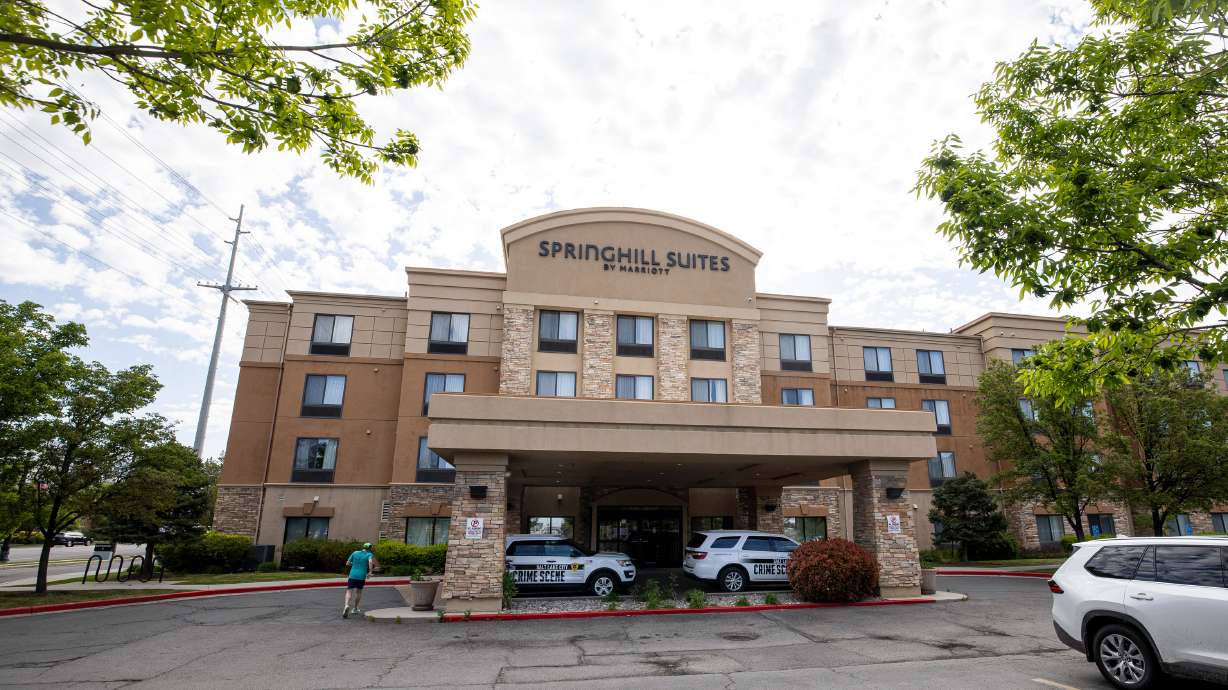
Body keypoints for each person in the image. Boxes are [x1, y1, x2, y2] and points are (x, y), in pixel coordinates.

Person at [342, 542, 378, 618]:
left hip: (352, 575)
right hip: (361, 576)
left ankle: (346, 605)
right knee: (359, 592)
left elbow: (347, 563)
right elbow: (370, 562)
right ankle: (355, 608)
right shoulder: (369, 554)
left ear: (363, 547)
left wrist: (353, 564)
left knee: (349, 591)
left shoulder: (355, 552)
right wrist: (370, 572)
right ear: (370, 548)